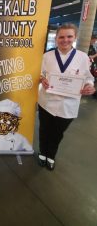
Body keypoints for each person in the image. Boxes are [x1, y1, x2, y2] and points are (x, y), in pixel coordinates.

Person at [38, 23, 95, 171]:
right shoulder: (47, 56)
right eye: (61, 37)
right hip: (46, 102)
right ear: (56, 38)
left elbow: (88, 77)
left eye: (69, 36)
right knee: (44, 130)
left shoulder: (83, 58)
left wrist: (89, 85)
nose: (65, 40)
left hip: (68, 105)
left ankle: (51, 155)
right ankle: (42, 153)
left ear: (74, 37)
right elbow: (41, 73)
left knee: (57, 133)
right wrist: (42, 79)